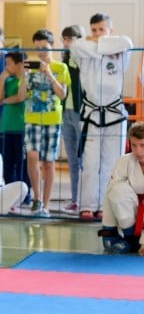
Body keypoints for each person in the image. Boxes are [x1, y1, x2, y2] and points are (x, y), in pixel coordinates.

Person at [69, 13, 134, 221]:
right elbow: (75, 46)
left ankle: (106, 205)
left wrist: (97, 46)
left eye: (102, 30)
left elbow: (127, 42)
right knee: (90, 163)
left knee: (112, 163)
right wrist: (102, 47)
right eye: (94, 31)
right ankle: (87, 205)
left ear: (110, 30)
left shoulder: (121, 49)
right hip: (91, 112)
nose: (97, 34)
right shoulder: (82, 48)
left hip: (115, 112)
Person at [22, 29, 69, 218]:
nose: (41, 51)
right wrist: (24, 76)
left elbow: (62, 94)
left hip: (52, 119)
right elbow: (22, 94)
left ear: (52, 46)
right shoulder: (29, 66)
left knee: (49, 163)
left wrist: (48, 73)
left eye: (45, 47)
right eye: (37, 48)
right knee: (32, 156)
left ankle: (46, 205)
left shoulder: (60, 68)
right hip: (32, 118)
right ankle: (37, 197)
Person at [98, 121, 144, 255]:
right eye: (134, 145)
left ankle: (137, 243)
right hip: (125, 225)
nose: (137, 151)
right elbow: (110, 196)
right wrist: (109, 231)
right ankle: (130, 240)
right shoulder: (124, 161)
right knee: (117, 190)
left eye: (142, 145)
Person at [0, 50, 28, 199]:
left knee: (22, 163)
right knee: (6, 163)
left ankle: (24, 195)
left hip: (22, 127)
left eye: (9, 63)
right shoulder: (7, 80)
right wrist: (2, 79)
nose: (6, 67)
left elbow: (21, 96)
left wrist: (6, 100)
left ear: (19, 64)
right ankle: (8, 195)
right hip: (6, 127)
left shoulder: (26, 79)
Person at [59, 25, 86, 213]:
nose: (67, 43)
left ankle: (88, 200)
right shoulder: (64, 60)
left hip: (80, 113)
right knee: (72, 160)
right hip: (65, 112)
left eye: (71, 39)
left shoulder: (84, 59)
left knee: (83, 157)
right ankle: (75, 199)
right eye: (65, 39)